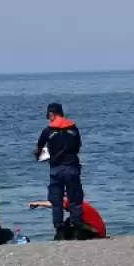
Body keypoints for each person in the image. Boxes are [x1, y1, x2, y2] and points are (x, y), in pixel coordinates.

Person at [34, 103, 85, 241]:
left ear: (52, 114)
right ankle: (77, 231)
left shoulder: (48, 131)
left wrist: (38, 157)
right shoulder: (74, 129)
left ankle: (60, 231)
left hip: (56, 170)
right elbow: (78, 147)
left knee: (56, 202)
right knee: (75, 200)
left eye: (49, 116)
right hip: (72, 168)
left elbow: (38, 149)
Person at [29, 193, 107, 239]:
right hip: (98, 232)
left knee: (69, 222)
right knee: (70, 221)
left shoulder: (73, 203)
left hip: (96, 233)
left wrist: (38, 203)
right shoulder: (78, 203)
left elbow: (57, 205)